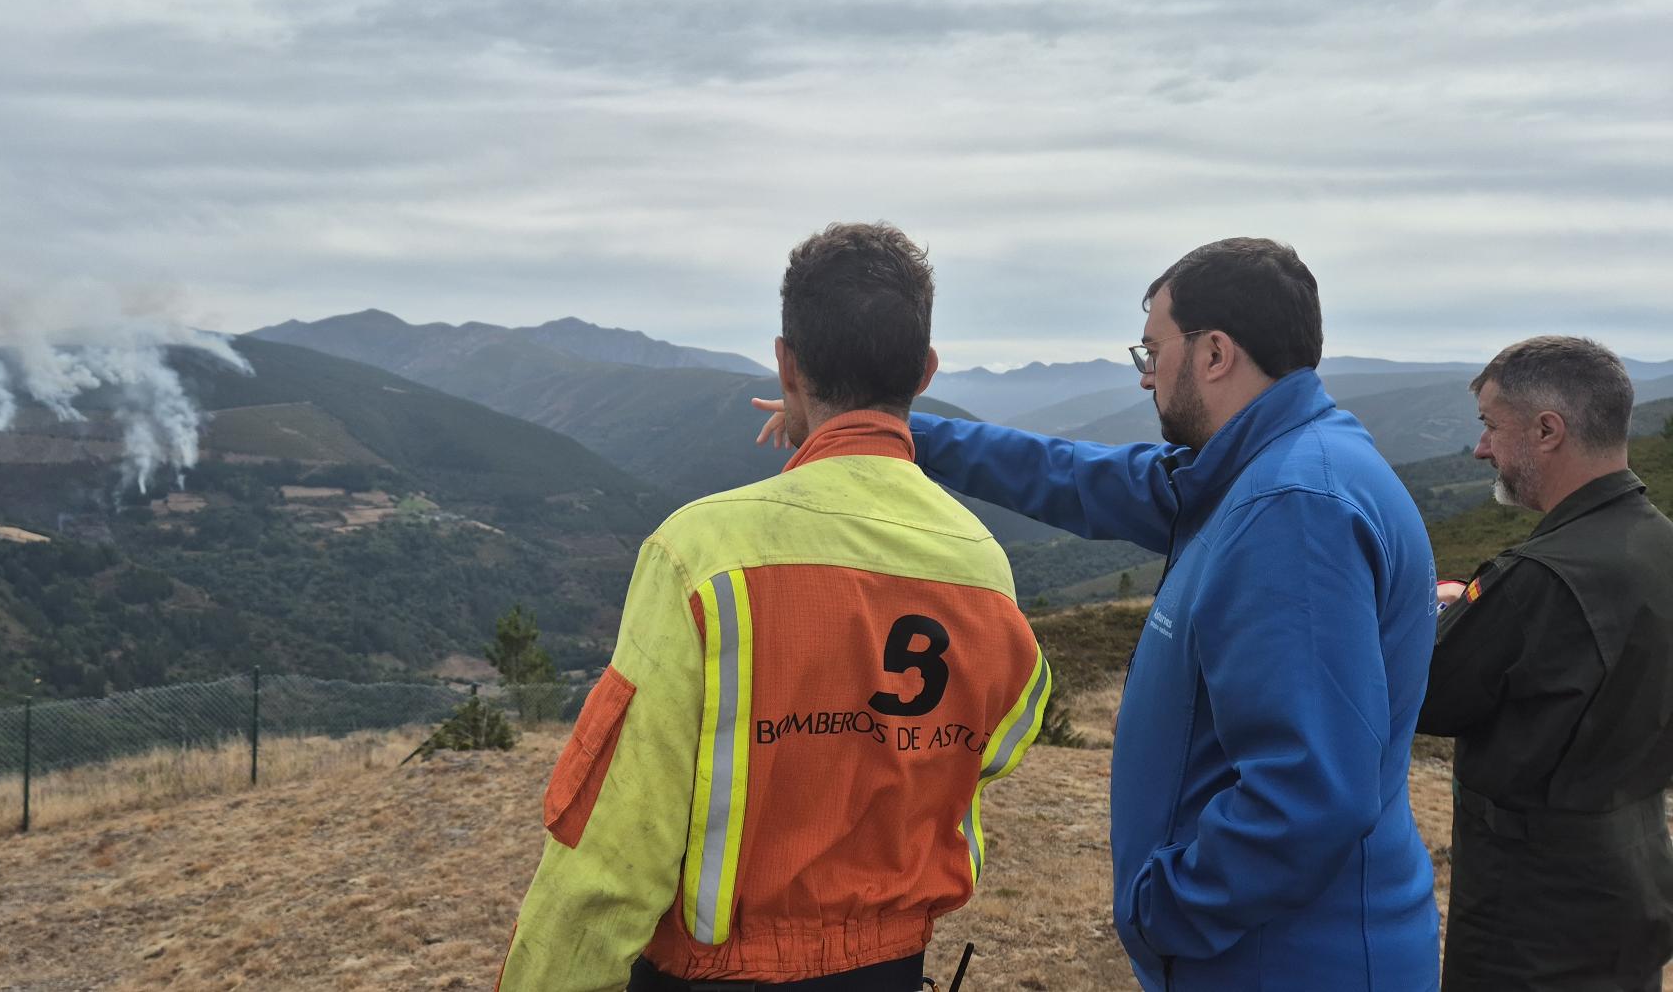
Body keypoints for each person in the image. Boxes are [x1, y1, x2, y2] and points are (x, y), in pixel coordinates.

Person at [763, 238, 1439, 989]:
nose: (1146, 376)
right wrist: (879, 429)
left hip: (1286, 960)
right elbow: (1069, 476)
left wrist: (1164, 909)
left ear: (1214, 353)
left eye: (1152, 351)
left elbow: (1311, 791)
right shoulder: (1247, 473)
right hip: (1273, 947)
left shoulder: (1293, 509)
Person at [498, 223, 1050, 991]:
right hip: (892, 969)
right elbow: (991, 745)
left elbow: (611, 855)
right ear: (925, 373)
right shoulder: (983, 566)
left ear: (786, 364)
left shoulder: (701, 554)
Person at [1418, 336, 1673, 991]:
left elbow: (1428, 697)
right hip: (1636, 884)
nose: (1481, 449)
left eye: (1489, 427)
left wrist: (1434, 620)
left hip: (1531, 915)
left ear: (1548, 431)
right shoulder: (1660, 545)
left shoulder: (1535, 581)